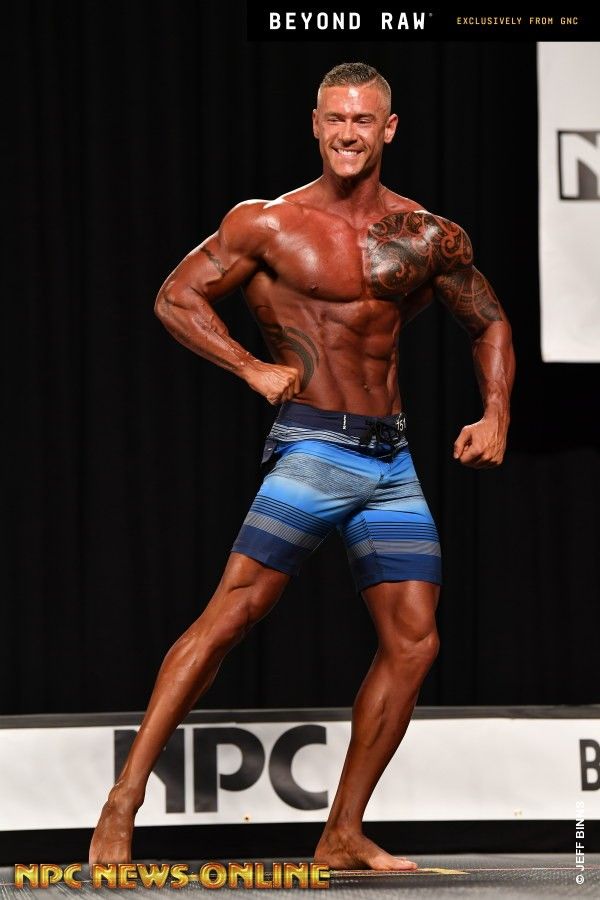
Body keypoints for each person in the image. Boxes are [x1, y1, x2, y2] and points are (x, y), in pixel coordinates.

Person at [89, 61, 515, 870]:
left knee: (415, 643)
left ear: (389, 129)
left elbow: (487, 321)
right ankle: (123, 800)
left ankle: (342, 831)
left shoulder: (426, 233)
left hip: (389, 457)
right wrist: (249, 367)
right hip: (314, 445)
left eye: (363, 120)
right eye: (335, 119)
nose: (348, 133)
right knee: (232, 616)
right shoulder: (267, 224)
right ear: (316, 125)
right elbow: (176, 296)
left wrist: (495, 411)